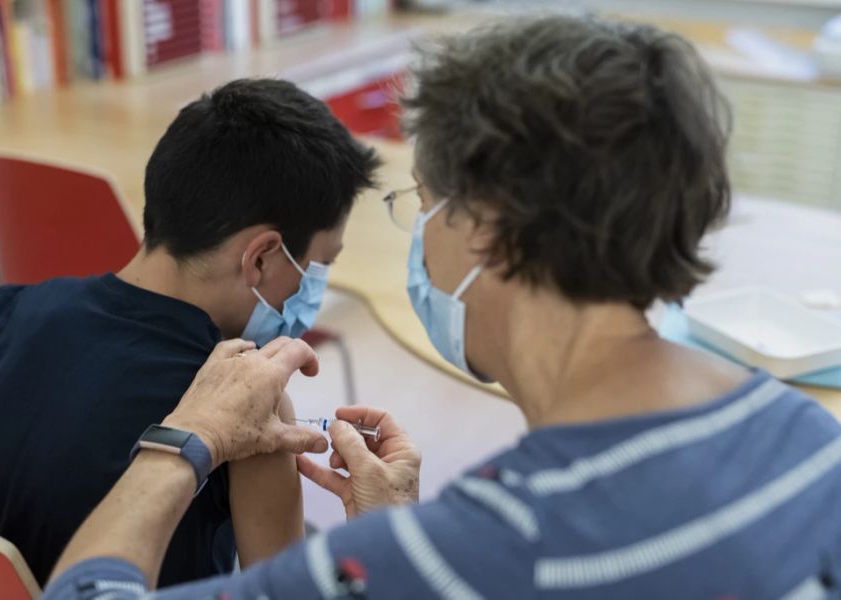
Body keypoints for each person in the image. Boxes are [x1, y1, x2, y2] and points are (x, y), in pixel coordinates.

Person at [46, 14, 841, 599]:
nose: (420, 238)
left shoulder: (486, 552)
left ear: (488, 227)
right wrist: (393, 543)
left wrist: (184, 439)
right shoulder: (810, 439)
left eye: (423, 204)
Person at [0, 78, 379, 586]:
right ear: (260, 257)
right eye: (319, 264)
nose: (315, 285)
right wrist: (373, 535)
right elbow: (287, 593)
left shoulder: (10, 313)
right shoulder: (252, 410)